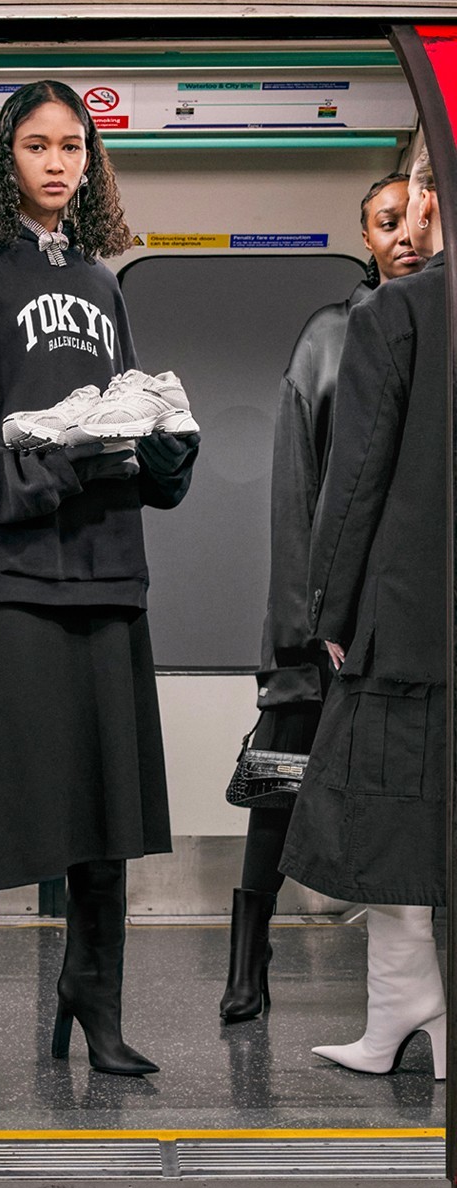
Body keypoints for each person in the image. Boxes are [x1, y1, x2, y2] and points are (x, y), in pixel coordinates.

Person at [0, 80, 199, 1108]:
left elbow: (119, 421)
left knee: (107, 811)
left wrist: (161, 459)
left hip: (107, 573)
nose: (59, 162)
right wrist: (49, 470)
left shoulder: (106, 284)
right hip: (13, 576)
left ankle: (93, 1006)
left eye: (74, 146)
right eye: (37, 145)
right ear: (3, 158)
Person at [219, 174, 423, 1024]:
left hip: (406, 610)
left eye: (416, 220)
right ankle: (248, 953)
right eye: (387, 222)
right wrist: (297, 627)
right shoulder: (331, 336)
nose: (405, 235)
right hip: (320, 614)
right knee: (281, 780)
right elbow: (297, 489)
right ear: (365, 238)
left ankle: (412, 979)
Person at [279, 145, 447, 1077]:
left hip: (406, 622)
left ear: (429, 198)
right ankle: (407, 1018)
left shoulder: (397, 314)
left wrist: (328, 612)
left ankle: (404, 1009)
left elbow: (354, 486)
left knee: (379, 812)